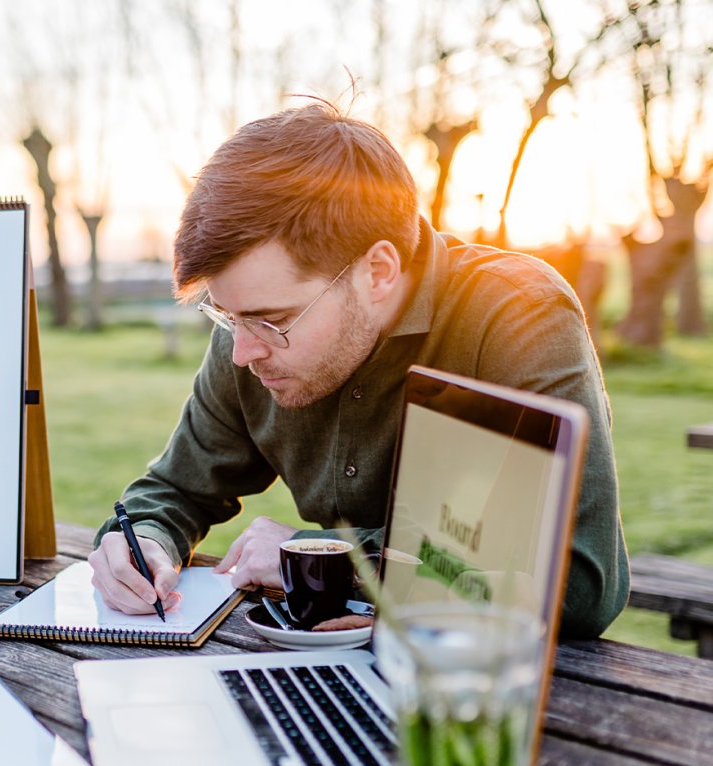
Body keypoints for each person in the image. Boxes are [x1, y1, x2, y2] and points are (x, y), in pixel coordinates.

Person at [87, 100, 628, 640]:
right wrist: (145, 540)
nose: (242, 353)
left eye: (272, 320)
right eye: (226, 316)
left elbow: (578, 580)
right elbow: (177, 488)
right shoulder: (249, 333)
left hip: (497, 693)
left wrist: (322, 558)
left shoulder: (515, 315)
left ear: (378, 271)